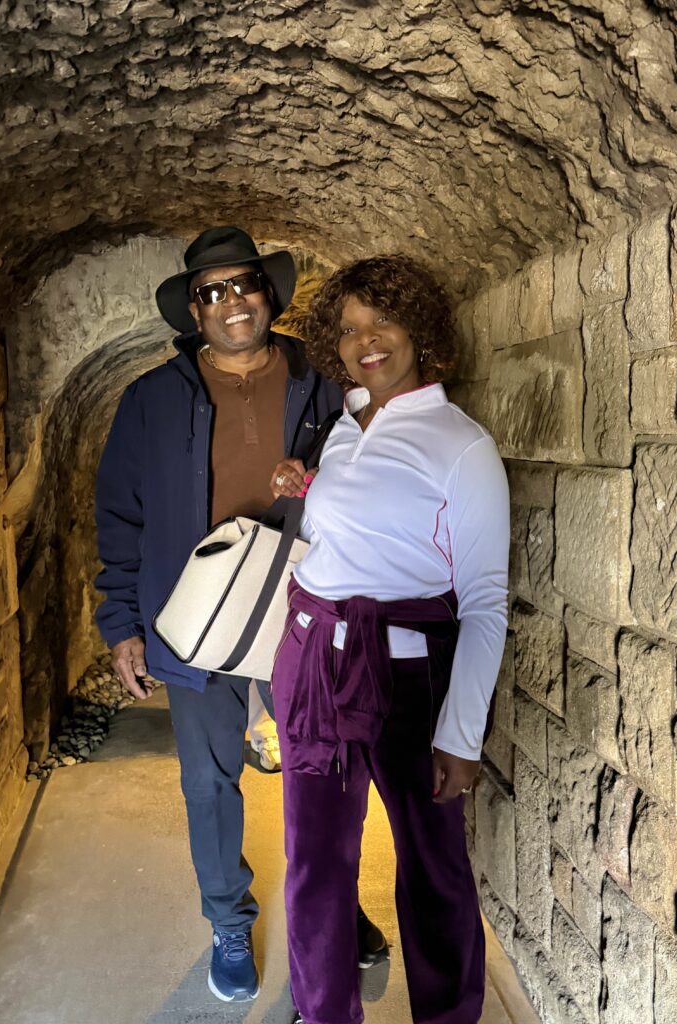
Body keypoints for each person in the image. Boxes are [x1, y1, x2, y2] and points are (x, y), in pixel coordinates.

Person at [94, 228, 386, 1005]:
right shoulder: (151, 400)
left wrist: (317, 474)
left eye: (243, 284)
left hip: (305, 610)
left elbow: (371, 469)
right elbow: (119, 515)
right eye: (212, 291)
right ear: (194, 310)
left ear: (268, 292)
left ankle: (332, 904)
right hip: (195, 624)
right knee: (209, 781)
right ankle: (228, 919)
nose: (231, 303)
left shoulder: (322, 382)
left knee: (323, 774)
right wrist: (121, 622)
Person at [269, 255, 510, 1024]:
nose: (365, 342)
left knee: (433, 869)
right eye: (348, 330)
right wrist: (305, 484)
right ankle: (323, 1014)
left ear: (418, 328)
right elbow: (354, 529)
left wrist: (461, 735)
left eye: (381, 322)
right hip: (313, 667)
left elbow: (482, 602)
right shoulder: (344, 424)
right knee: (315, 869)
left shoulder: (460, 445)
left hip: (408, 677)